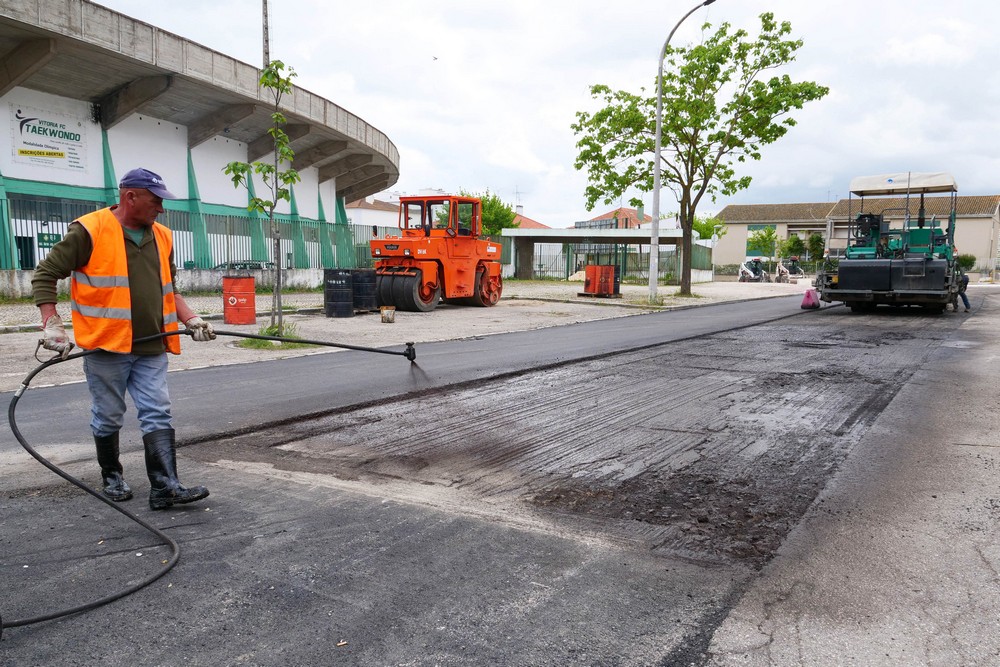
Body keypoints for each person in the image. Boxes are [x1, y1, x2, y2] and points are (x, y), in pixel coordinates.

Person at [32, 168, 215, 510]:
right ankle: (112, 475)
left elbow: (168, 288)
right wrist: (51, 323)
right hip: (106, 346)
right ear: (130, 196)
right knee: (108, 415)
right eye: (155, 200)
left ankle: (165, 487)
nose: (161, 208)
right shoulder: (89, 229)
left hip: (152, 344)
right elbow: (45, 274)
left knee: (157, 412)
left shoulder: (162, 236)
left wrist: (191, 318)